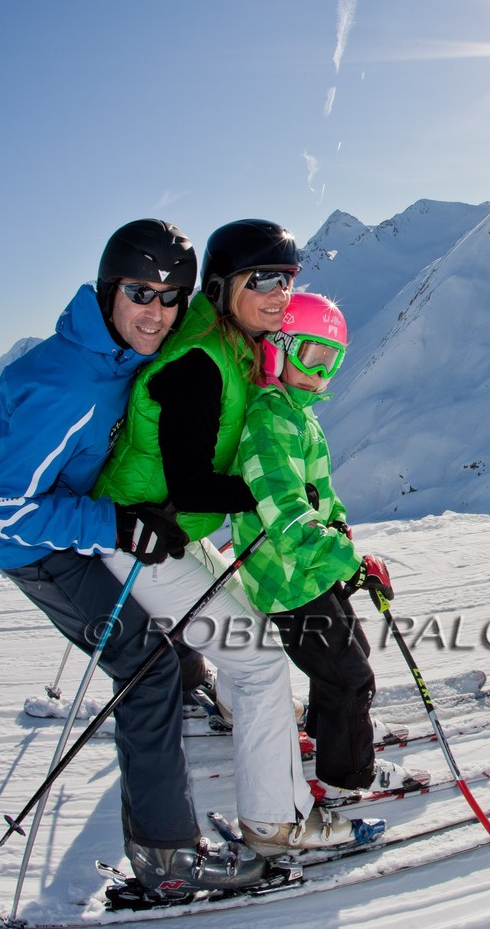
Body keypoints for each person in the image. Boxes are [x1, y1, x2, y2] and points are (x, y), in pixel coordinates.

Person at [0, 219, 269, 896]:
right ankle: (166, 858)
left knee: (164, 611)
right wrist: (115, 523)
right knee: (145, 663)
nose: (157, 313)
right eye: (141, 293)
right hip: (37, 546)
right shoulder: (65, 385)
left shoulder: (118, 346)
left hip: (87, 513)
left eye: (172, 297)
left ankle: (189, 695)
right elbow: (9, 507)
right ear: (110, 290)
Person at [91, 219, 377, 855]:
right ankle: (276, 825)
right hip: (138, 538)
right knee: (261, 664)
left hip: (167, 532)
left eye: (290, 279)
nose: (281, 293)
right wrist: (277, 499)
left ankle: (247, 723)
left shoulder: (225, 338)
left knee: (250, 630)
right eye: (265, 280)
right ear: (223, 286)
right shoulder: (198, 363)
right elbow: (192, 486)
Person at [230, 292, 422, 806]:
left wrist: (341, 539)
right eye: (311, 357)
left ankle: (326, 730)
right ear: (277, 348)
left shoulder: (299, 414)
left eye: (331, 362)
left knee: (349, 653)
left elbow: (321, 496)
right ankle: (346, 777)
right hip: (286, 577)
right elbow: (289, 521)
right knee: (350, 677)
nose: (320, 374)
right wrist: (349, 560)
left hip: (310, 568)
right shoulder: (269, 423)